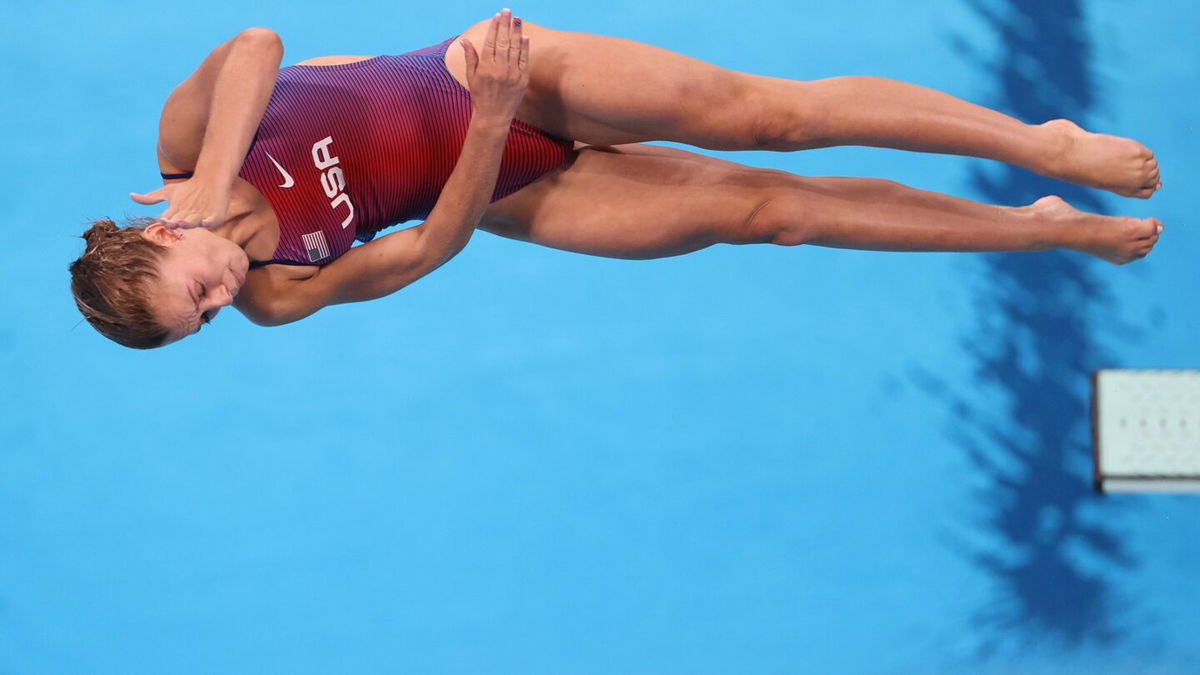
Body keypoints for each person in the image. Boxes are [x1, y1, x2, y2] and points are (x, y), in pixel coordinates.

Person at [70, 10, 1163, 349]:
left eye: (199, 290)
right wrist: (492, 140)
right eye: (207, 319)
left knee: (771, 116)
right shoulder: (276, 289)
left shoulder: (183, 145)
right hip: (498, 180)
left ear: (163, 236)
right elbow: (426, 248)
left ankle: (1038, 142)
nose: (228, 297)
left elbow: (257, 42)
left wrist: (213, 184)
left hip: (485, 78)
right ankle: (1043, 225)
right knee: (770, 216)